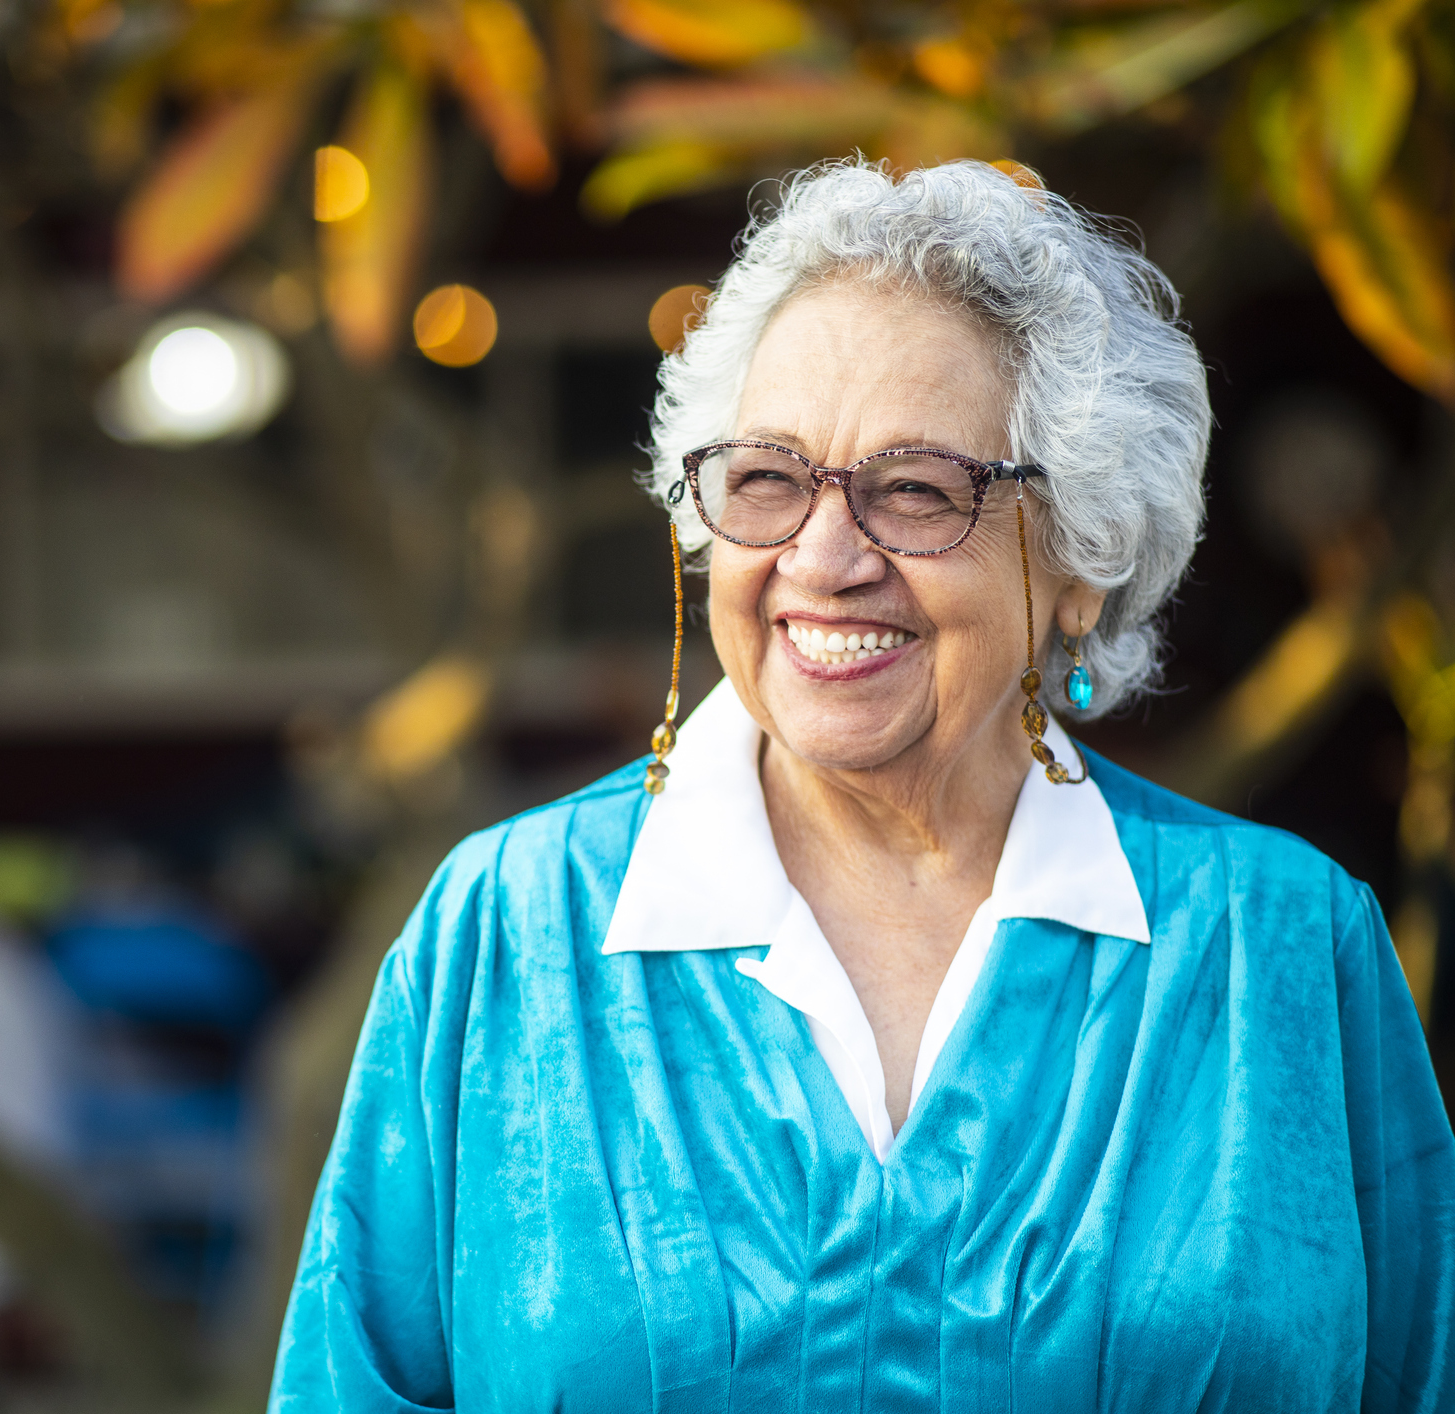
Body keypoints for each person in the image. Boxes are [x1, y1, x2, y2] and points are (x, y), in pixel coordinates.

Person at [269, 160, 1454, 1411]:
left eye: (917, 492)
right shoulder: (507, 931)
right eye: (767, 481)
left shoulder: (1284, 944)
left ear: (1081, 560)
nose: (823, 559)